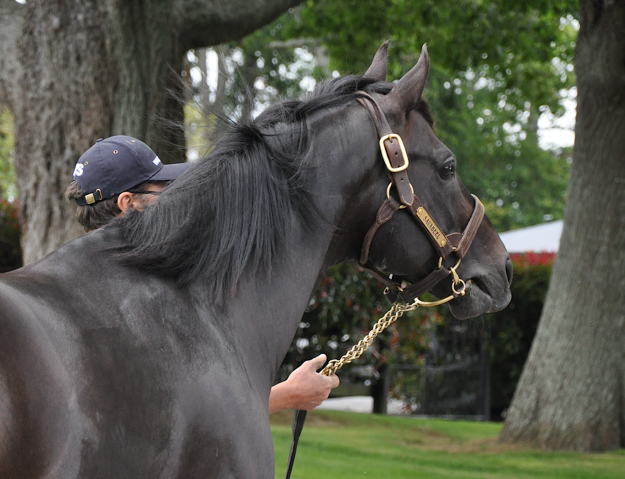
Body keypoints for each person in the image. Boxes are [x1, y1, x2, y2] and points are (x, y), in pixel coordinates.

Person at [66, 135, 339, 413]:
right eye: (161, 190)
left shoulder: (81, 282)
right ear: (128, 203)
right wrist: (288, 395)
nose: (172, 199)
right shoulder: (121, 298)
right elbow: (163, 414)